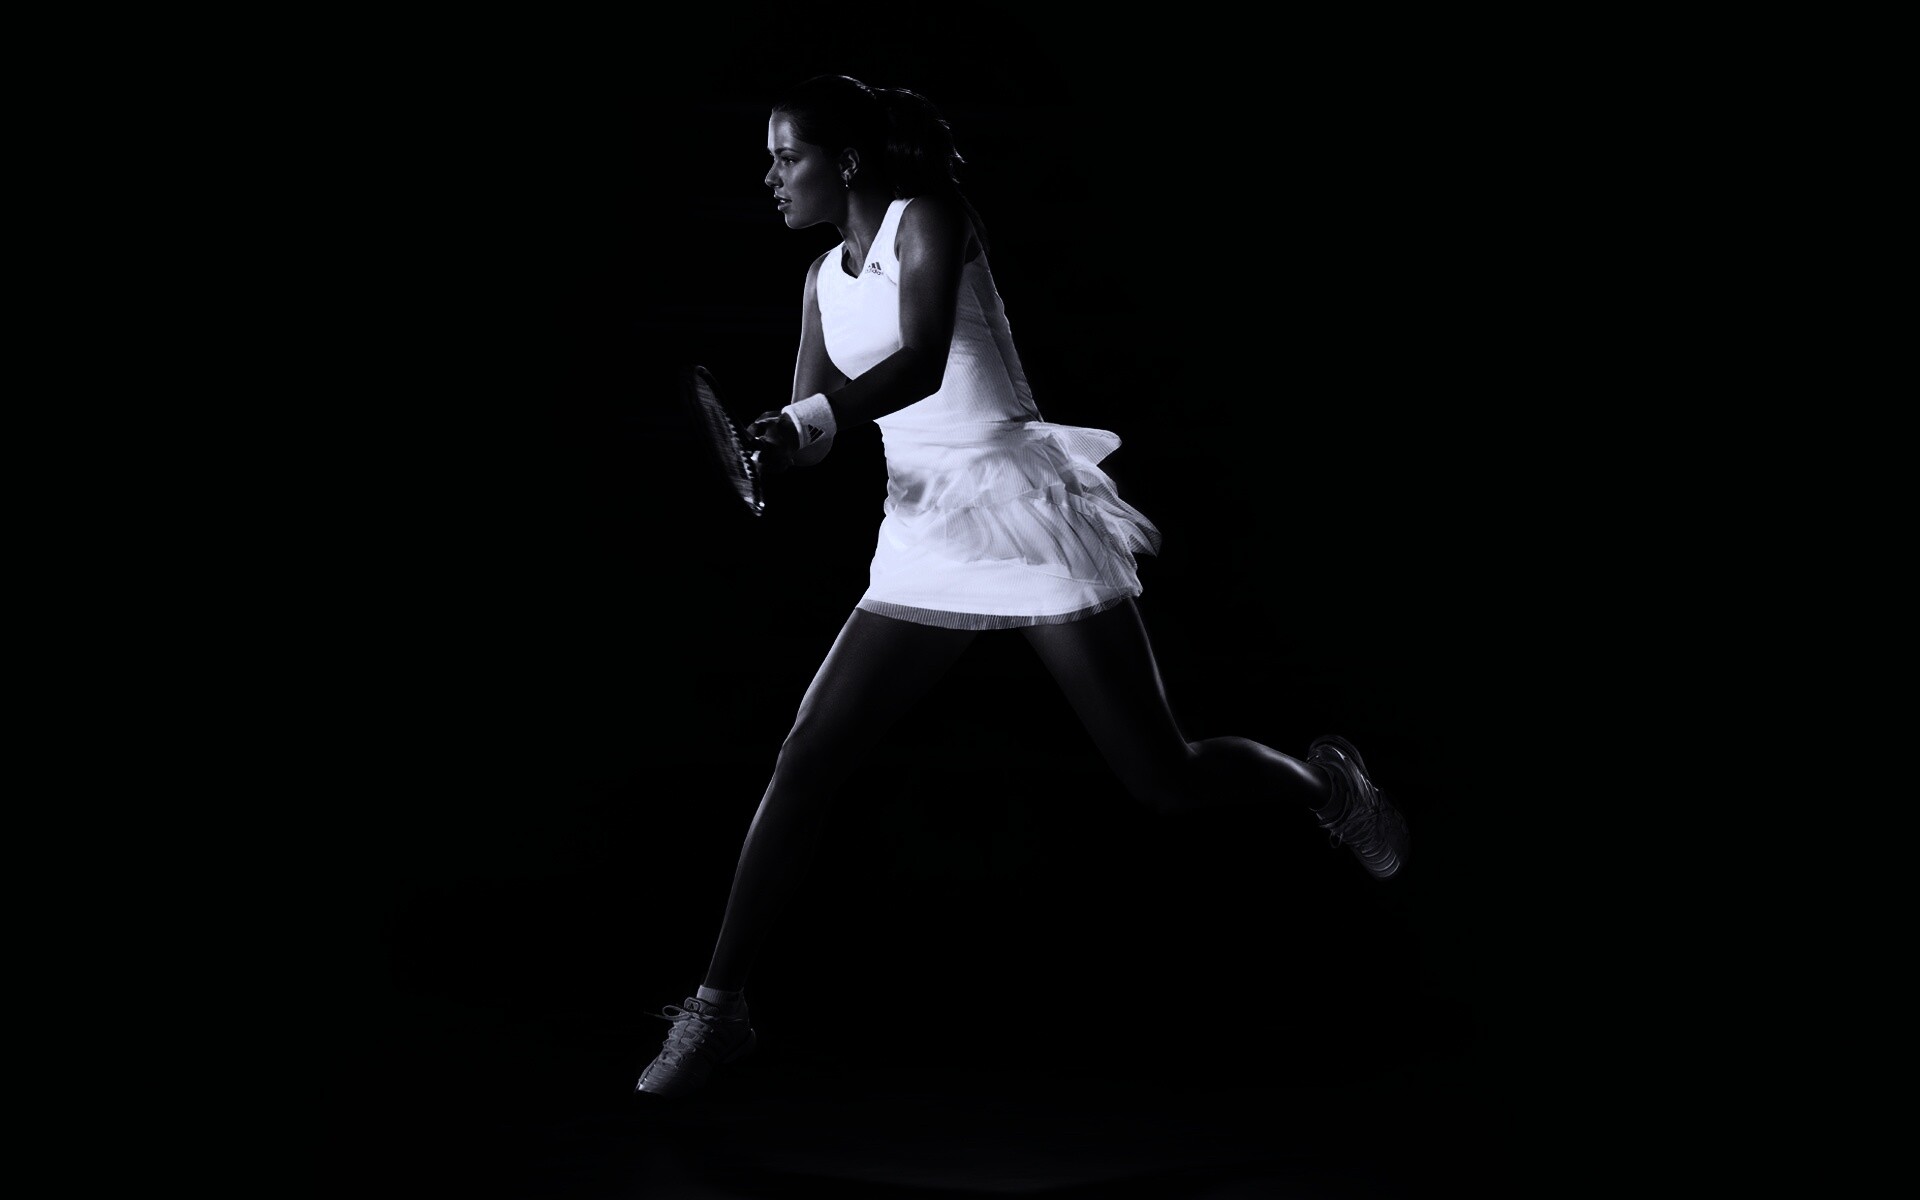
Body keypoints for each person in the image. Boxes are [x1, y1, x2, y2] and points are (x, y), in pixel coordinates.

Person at [635, 74, 1410, 1099]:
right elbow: (816, 421)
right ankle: (718, 1010)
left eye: (788, 157)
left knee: (1162, 776)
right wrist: (781, 443)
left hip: (1027, 511)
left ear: (847, 161)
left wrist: (807, 421)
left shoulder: (931, 218)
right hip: (922, 532)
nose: (770, 177)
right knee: (806, 756)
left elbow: (919, 362)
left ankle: (1328, 786)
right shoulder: (822, 279)